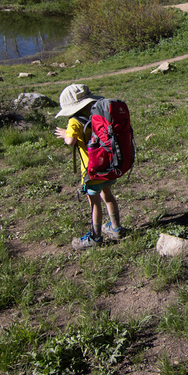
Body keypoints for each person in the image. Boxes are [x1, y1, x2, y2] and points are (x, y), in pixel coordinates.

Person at [54, 83, 124, 250]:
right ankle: (116, 228)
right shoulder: (98, 114)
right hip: (108, 165)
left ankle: (96, 236)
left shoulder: (73, 121)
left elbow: (70, 141)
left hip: (91, 171)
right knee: (108, 196)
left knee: (94, 203)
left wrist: (66, 134)